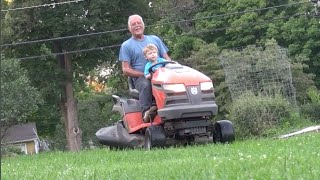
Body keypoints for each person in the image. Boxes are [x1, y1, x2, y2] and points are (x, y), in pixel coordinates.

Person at [119, 14, 171, 122]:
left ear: (143, 25)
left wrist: (172, 67)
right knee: (146, 85)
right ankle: (146, 113)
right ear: (129, 28)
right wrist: (143, 74)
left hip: (161, 73)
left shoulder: (155, 39)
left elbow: (167, 58)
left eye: (139, 23)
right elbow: (125, 69)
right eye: (134, 24)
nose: (137, 26)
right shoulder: (126, 45)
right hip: (141, 77)